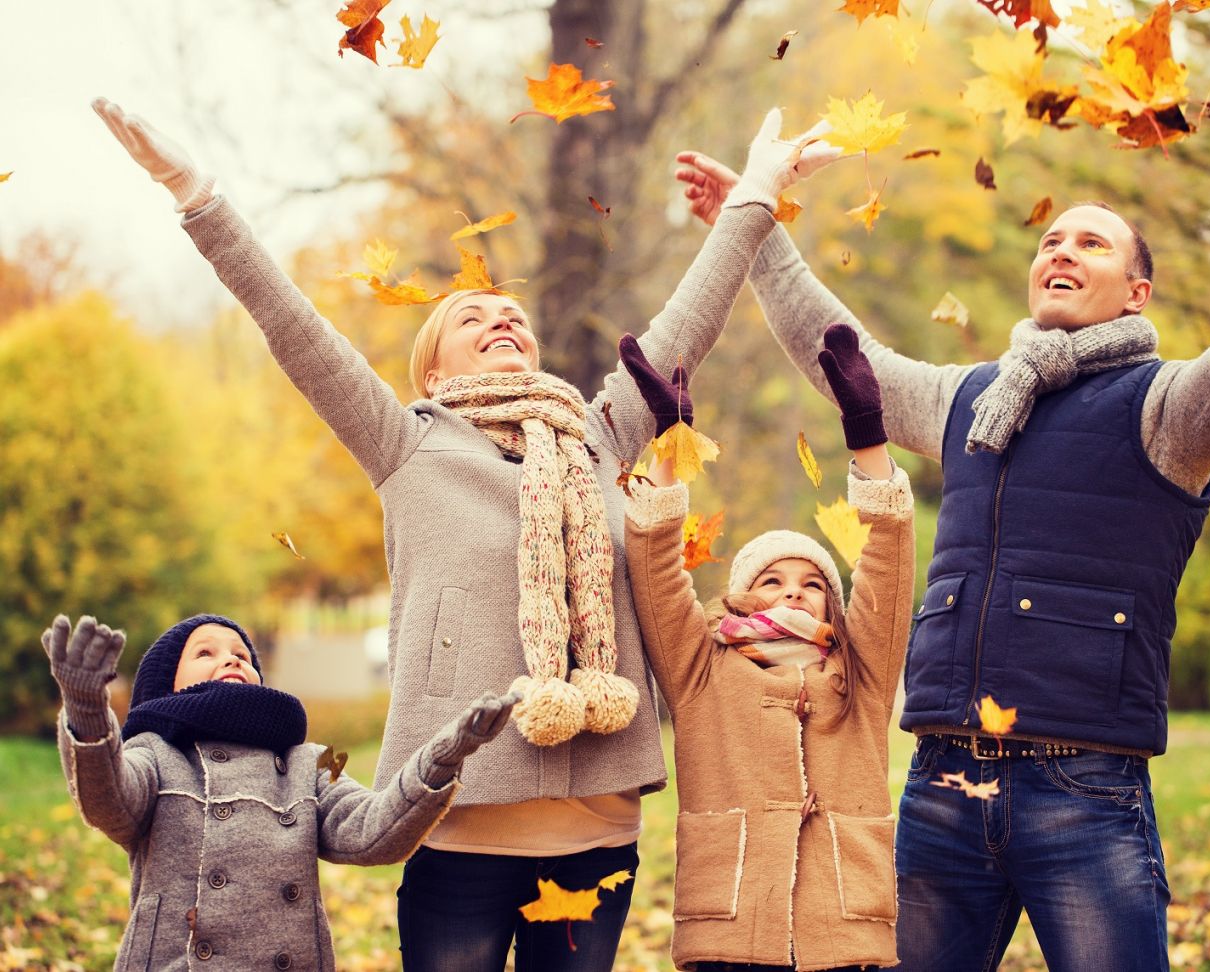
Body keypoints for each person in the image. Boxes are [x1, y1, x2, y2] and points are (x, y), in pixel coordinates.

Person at [91, 97, 851, 970]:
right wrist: (196, 192)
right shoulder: (404, 442)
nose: (502, 321)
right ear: (432, 366)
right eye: (470, 317)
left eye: (512, 316)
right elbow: (291, 325)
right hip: (455, 823)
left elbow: (691, 324)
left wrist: (756, 192)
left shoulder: (599, 434)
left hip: (597, 825)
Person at [671, 150, 1210, 971]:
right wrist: (751, 225)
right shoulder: (969, 397)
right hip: (943, 786)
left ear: (1138, 293)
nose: (1062, 251)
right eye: (1052, 241)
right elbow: (841, 356)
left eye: (1093, 244)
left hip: (1085, 792)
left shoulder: (1170, 409)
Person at [618, 325, 914, 971]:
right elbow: (655, 568)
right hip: (733, 926)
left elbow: (888, 566)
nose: (794, 592)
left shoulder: (859, 674)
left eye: (813, 583)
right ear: (740, 598)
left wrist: (868, 436)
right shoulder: (702, 668)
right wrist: (672, 444)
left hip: (843, 930)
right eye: (771, 581)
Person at [44, 611, 515, 971]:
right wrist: (87, 712)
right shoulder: (155, 752)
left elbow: (372, 833)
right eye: (204, 653)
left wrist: (444, 756)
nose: (230, 657)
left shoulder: (313, 758)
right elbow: (110, 802)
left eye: (242, 655)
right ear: (164, 685)